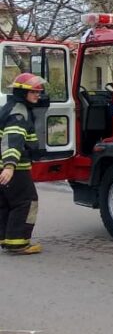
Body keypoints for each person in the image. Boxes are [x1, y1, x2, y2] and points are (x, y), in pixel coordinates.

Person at [0, 73, 47, 255]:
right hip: (15, 168)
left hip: (5, 167)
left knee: (5, 203)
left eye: (39, 91)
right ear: (22, 92)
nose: (38, 95)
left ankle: (6, 238)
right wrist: (10, 166)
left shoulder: (9, 107)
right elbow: (13, 139)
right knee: (26, 202)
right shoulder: (19, 112)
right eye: (34, 92)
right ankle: (18, 243)